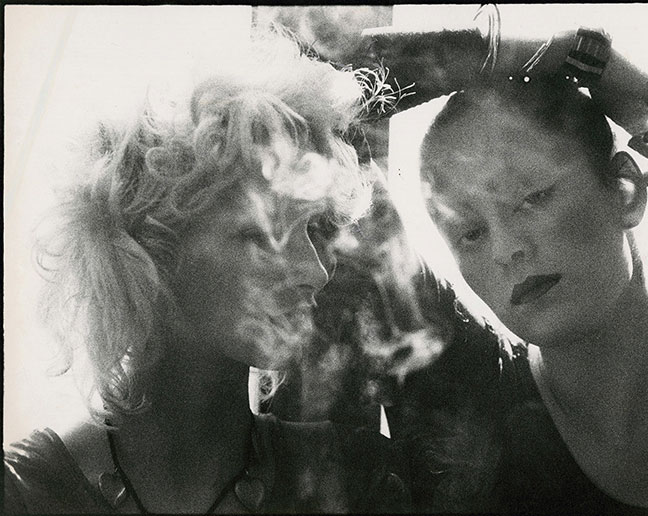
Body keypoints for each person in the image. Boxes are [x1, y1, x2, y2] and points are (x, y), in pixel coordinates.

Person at [3, 29, 413, 514]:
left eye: (314, 228)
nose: (315, 270)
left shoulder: (351, 482)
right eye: (261, 234)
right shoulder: (23, 495)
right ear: (149, 247)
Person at [413, 70, 648, 513]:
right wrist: (594, 57)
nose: (506, 249)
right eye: (469, 233)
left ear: (626, 191)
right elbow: (315, 107)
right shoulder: (466, 404)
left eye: (533, 197)